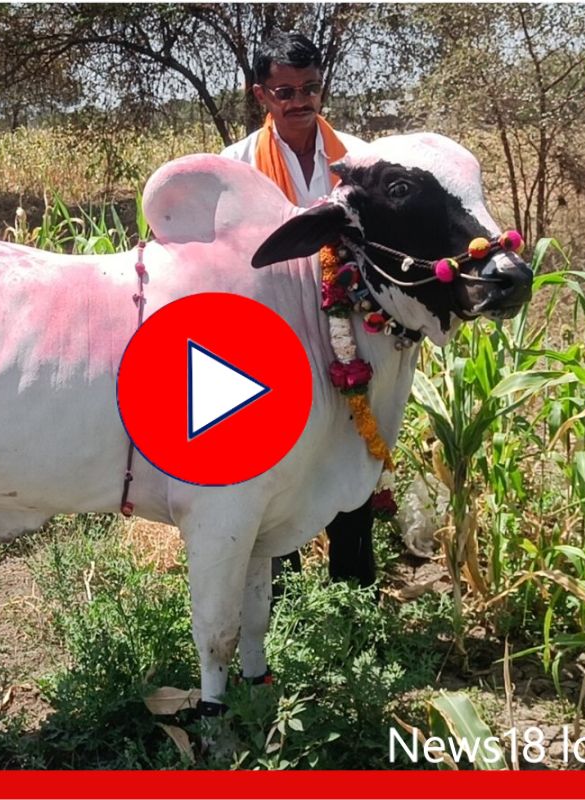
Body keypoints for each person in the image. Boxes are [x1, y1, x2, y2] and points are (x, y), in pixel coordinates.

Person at [221, 31, 377, 587]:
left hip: (351, 332)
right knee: (276, 456)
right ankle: (283, 595)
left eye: (309, 88)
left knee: (350, 447)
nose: (299, 102)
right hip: (272, 336)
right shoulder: (235, 167)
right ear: (261, 95)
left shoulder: (359, 160)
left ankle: (353, 590)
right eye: (284, 92)